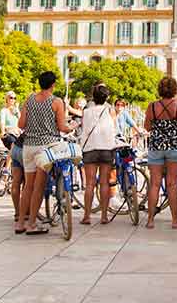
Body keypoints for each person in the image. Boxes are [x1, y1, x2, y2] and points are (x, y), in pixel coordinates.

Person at [15, 71, 72, 235]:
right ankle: (32, 224)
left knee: (27, 187)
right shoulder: (56, 102)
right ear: (53, 84)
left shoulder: (30, 99)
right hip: (45, 148)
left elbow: (21, 124)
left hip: (28, 146)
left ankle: (20, 223)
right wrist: (72, 127)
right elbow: (62, 127)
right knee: (38, 188)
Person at [144, 76, 177, 229]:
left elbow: (147, 127)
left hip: (156, 147)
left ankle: (150, 220)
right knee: (172, 184)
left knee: (155, 184)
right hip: (174, 148)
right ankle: (175, 221)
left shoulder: (152, 106)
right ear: (174, 89)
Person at [79, 84, 118, 225]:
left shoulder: (87, 111)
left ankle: (87, 216)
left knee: (89, 183)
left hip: (90, 148)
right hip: (106, 148)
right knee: (104, 183)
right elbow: (113, 128)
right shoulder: (110, 111)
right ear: (106, 97)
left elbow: (84, 128)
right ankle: (104, 216)